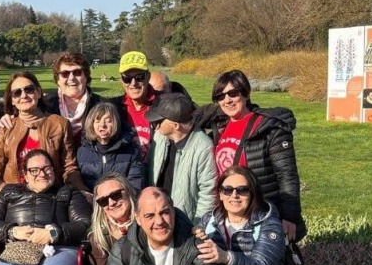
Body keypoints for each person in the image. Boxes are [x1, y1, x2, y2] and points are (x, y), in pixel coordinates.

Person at [194, 69, 306, 241]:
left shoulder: (268, 128)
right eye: (220, 96)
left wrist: (290, 217)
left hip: (260, 212)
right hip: (230, 211)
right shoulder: (220, 125)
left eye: (233, 93)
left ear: (246, 94)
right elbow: (189, 114)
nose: (227, 100)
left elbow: (287, 175)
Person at [0, 70, 82, 195]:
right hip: (15, 199)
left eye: (29, 89)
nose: (23, 96)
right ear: (12, 100)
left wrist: (81, 191)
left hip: (50, 196)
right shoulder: (6, 128)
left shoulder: (59, 124)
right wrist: (6, 192)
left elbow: (69, 168)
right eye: (17, 93)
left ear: (39, 92)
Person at [146, 93, 214, 221]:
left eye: (160, 121)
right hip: (157, 214)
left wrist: (199, 224)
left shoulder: (203, 148)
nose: (156, 125)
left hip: (184, 222)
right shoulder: (159, 137)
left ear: (176, 126)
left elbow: (208, 194)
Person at [76, 101, 145, 193]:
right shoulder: (81, 152)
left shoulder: (132, 151)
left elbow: (135, 184)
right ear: (91, 124)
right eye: (98, 120)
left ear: (116, 123)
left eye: (109, 121)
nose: (102, 125)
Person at [42, 51, 101, 145]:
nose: (71, 78)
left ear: (86, 76)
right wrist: (10, 114)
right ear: (57, 79)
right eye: (65, 73)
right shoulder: (45, 105)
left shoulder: (101, 105)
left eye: (77, 72)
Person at [112, 51, 160, 159]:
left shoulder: (163, 104)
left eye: (139, 77)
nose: (133, 83)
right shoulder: (114, 108)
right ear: (122, 80)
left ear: (148, 77)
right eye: (127, 78)